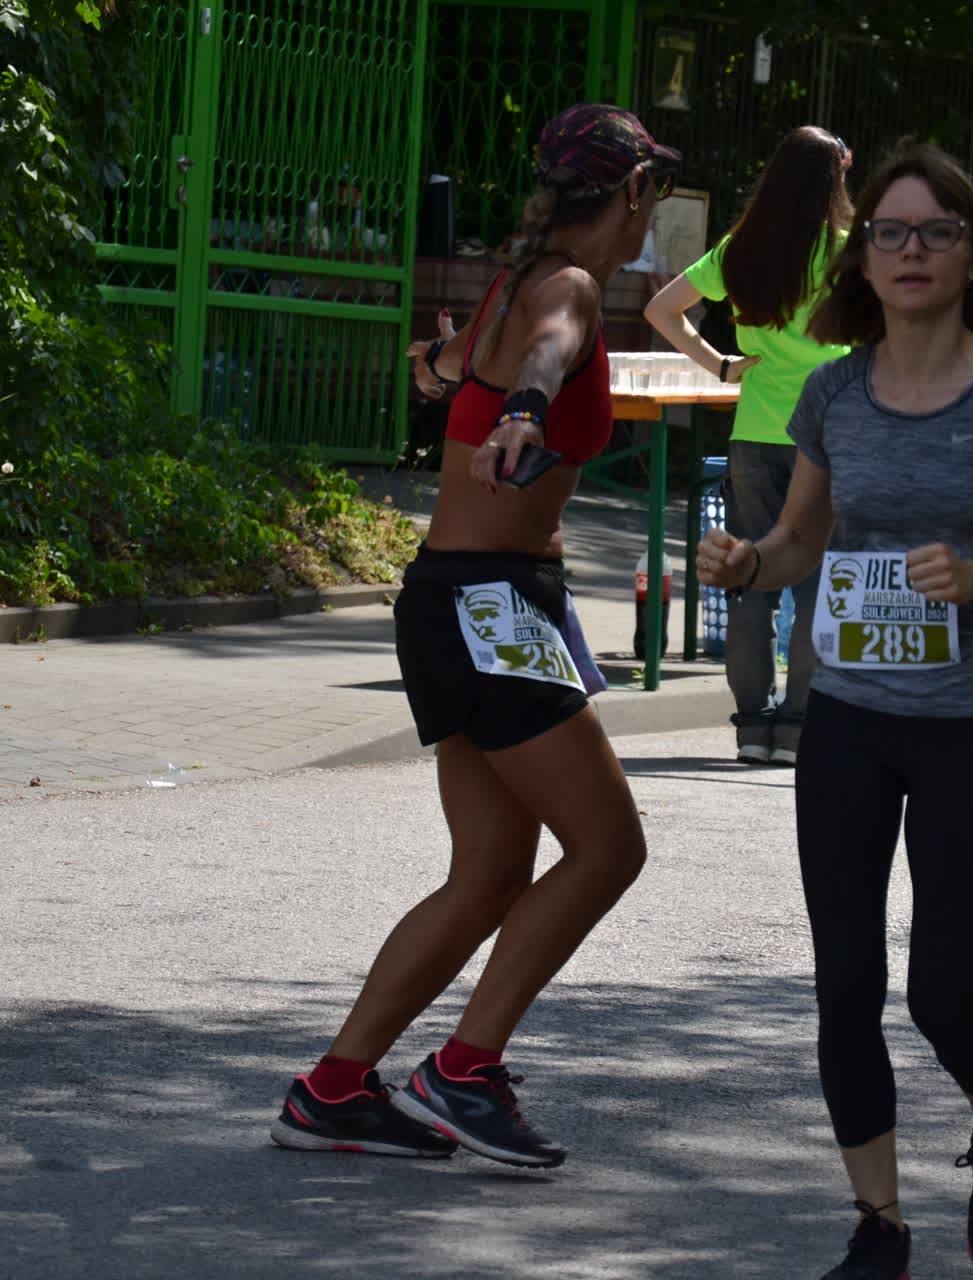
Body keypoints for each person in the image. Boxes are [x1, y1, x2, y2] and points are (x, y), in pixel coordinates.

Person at [696, 141, 973, 1276]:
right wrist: (750, 563)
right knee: (846, 988)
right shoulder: (833, 393)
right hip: (849, 717)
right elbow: (801, 540)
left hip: (965, 722)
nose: (910, 250)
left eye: (935, 231)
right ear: (862, 258)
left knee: (943, 995)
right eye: (889, 232)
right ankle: (879, 1224)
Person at [268, 104, 679, 1170]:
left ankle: (334, 1088)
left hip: (458, 597)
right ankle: (464, 1069)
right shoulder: (567, 290)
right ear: (633, 191)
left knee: (490, 871)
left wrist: (442, 369)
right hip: (493, 605)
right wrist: (526, 405)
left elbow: (459, 361)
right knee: (609, 847)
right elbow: (545, 354)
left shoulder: (517, 279)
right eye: (657, 192)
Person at [643, 126, 853, 766]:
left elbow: (661, 309)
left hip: (755, 436)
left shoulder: (741, 249)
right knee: (817, 588)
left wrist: (720, 365)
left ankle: (751, 730)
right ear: (832, 184)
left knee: (750, 582)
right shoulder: (848, 252)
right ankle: (796, 728)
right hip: (829, 440)